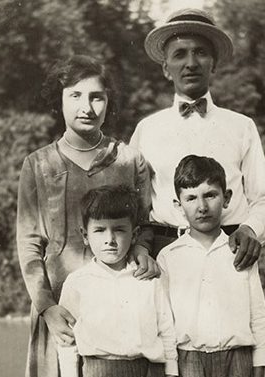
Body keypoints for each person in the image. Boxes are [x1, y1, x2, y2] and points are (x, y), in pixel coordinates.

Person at [17, 55, 159, 377]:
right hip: (59, 308)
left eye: (97, 96)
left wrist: (141, 249)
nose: (87, 107)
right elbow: (28, 246)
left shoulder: (130, 160)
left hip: (119, 303)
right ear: (59, 100)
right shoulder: (38, 165)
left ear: (109, 101)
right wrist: (47, 308)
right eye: (75, 95)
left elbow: (147, 225)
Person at [130, 8, 265, 268]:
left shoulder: (241, 126)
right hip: (165, 254)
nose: (191, 63)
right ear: (166, 68)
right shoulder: (147, 129)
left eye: (200, 52)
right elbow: (132, 201)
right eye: (179, 54)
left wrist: (250, 230)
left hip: (230, 251)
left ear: (214, 64)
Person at [157, 155, 265, 377]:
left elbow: (257, 315)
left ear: (226, 198)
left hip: (238, 358)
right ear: (178, 205)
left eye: (210, 195)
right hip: (189, 359)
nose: (202, 207)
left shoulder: (240, 250)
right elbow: (165, 320)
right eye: (191, 198)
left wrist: (260, 364)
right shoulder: (169, 257)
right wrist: (171, 370)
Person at [57, 185, 178, 377]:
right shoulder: (77, 283)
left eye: (119, 230)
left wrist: (171, 370)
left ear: (135, 235)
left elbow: (166, 326)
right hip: (98, 369)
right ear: (85, 235)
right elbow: (66, 339)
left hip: (147, 369)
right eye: (99, 230)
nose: (110, 239)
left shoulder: (147, 278)